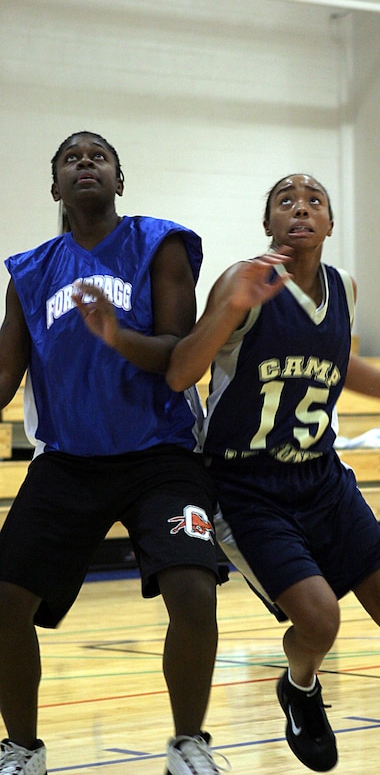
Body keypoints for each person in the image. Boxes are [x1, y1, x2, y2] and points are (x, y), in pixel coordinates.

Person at [166, 173, 380, 775]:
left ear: (329, 223)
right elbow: (180, 372)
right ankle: (299, 686)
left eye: (313, 201)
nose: (300, 208)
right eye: (285, 201)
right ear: (268, 223)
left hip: (320, 476)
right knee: (321, 618)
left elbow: (340, 361)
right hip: (246, 487)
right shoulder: (240, 281)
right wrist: (231, 310)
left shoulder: (343, 287)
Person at [0, 132, 227, 775]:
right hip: (68, 460)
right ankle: (22, 748)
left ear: (119, 179)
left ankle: (189, 744)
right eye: (70, 158)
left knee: (194, 594)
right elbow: (3, 377)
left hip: (161, 453)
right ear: (55, 188)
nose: (85, 164)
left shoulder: (161, 243)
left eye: (98, 156)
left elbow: (180, 354)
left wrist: (116, 335)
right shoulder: (29, 271)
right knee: (4, 601)